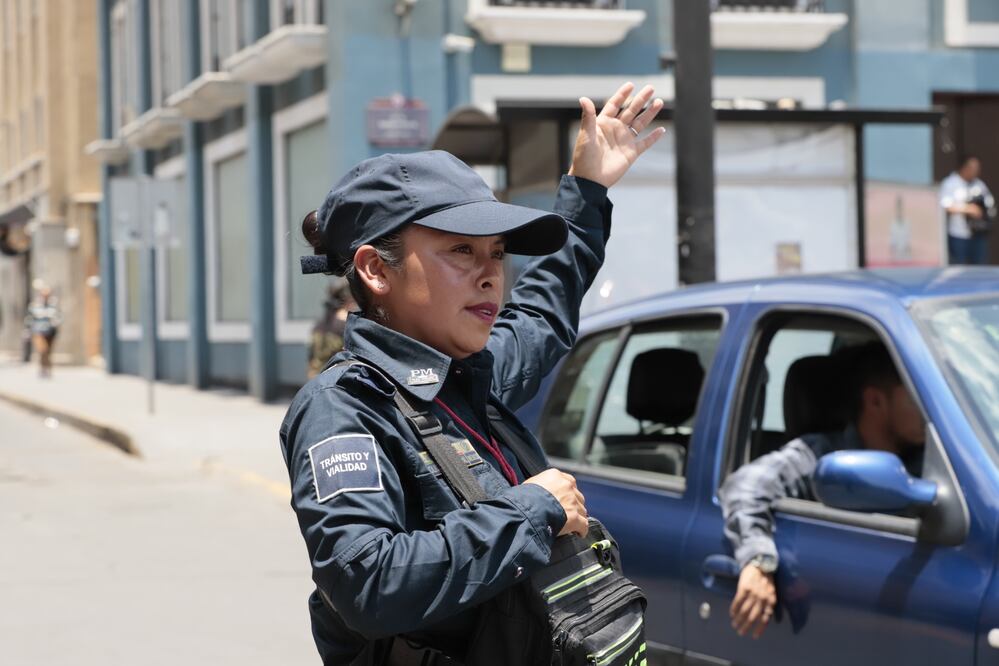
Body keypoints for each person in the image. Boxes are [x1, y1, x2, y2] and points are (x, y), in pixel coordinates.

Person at [279, 82, 664, 665]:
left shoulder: (469, 376)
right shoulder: (344, 407)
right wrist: (533, 511)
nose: (491, 276)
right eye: (461, 251)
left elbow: (542, 310)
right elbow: (367, 584)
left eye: (498, 252)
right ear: (375, 271)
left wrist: (587, 189)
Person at [718, 342, 925, 640]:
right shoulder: (818, 455)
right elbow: (745, 487)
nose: (927, 408)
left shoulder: (935, 457)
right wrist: (759, 562)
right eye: (917, 396)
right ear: (876, 401)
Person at [940, 154, 996, 265]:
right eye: (972, 168)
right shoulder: (951, 183)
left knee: (980, 267)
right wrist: (968, 209)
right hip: (959, 234)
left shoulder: (979, 184)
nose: (975, 171)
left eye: (977, 168)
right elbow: (945, 206)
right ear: (963, 167)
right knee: (959, 267)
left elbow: (989, 203)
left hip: (978, 233)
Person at [307, 280, 356, 379]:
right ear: (349, 300)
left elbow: (312, 357)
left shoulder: (320, 324)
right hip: (336, 380)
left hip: (316, 379)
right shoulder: (347, 324)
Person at [25, 283, 62, 378]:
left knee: (49, 351)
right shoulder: (35, 305)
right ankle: (43, 368)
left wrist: (55, 323)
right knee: (42, 350)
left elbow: (59, 317)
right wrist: (28, 330)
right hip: (38, 331)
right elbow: (29, 318)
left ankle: (47, 368)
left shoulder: (54, 304)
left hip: (50, 331)